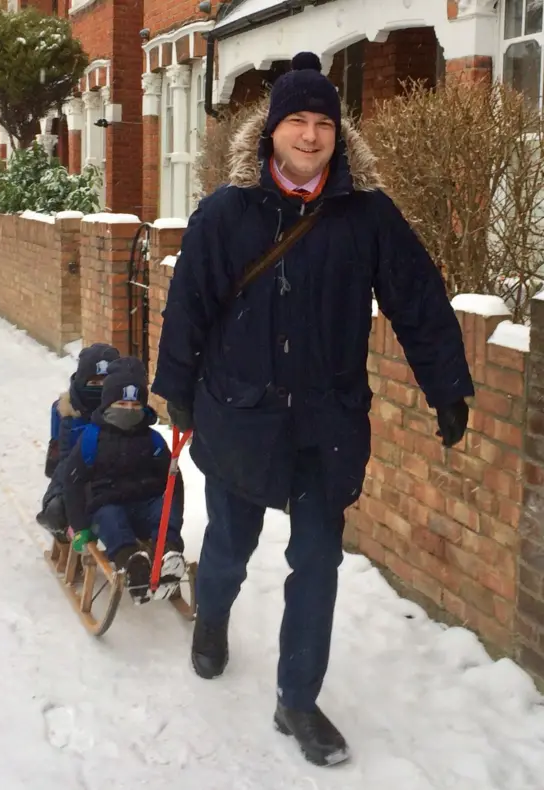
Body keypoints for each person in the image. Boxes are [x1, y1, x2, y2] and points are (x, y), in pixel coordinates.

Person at [151, 52, 474, 766]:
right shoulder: (225, 214)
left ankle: (296, 699)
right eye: (295, 120)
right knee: (230, 549)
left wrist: (447, 384)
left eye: (322, 121)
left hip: (325, 424)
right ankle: (214, 614)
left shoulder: (368, 217)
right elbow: (190, 308)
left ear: (338, 134)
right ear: (271, 132)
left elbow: (417, 300)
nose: (308, 134)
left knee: (318, 562)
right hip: (241, 413)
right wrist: (177, 387)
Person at [62, 356, 185, 603]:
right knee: (110, 518)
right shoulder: (91, 439)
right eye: (121, 403)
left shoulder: (153, 440)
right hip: (108, 505)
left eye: (134, 404)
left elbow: (174, 482)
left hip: (145, 504)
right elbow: (72, 481)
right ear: (107, 404)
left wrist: (173, 516)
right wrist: (81, 526)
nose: (128, 410)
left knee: (163, 509)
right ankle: (131, 561)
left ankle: (168, 552)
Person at [36, 342, 121, 539]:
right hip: (74, 478)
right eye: (94, 383)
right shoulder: (66, 413)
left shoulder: (124, 413)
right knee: (59, 509)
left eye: (106, 383)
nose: (100, 389)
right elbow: (59, 462)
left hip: (115, 481)